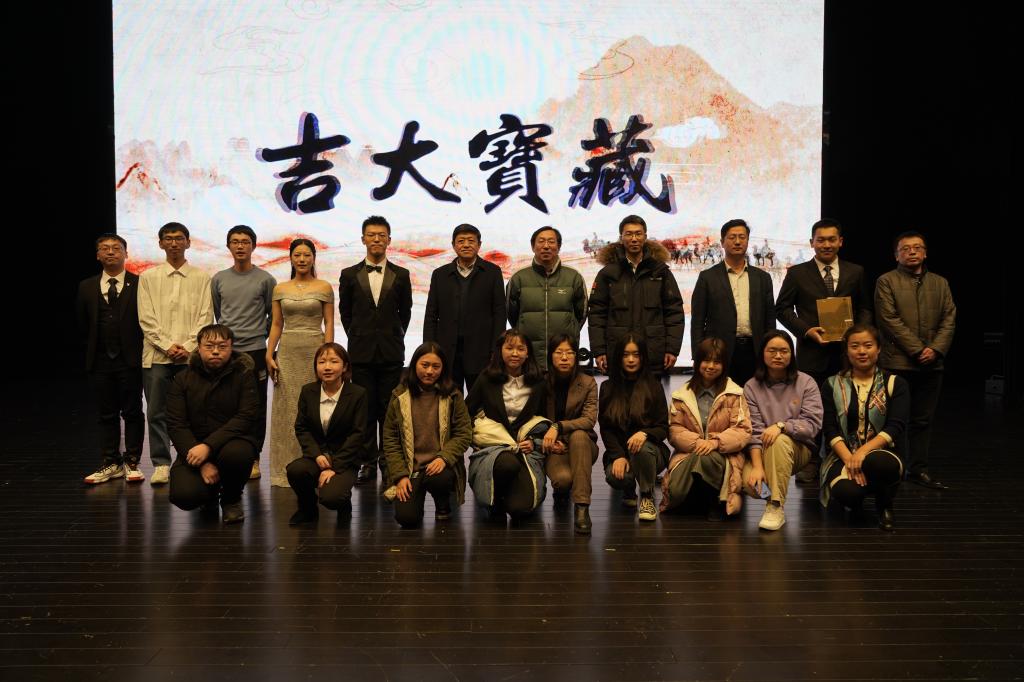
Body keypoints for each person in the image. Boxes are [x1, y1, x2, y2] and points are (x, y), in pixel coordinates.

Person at [775, 218, 872, 483]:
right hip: (812, 353)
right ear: (812, 243)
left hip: (847, 355)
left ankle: (838, 459)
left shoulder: (856, 272)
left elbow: (865, 307)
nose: (826, 244)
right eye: (821, 240)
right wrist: (806, 330)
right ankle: (810, 460)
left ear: (840, 242)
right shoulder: (797, 273)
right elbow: (782, 309)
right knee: (810, 409)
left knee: (845, 408)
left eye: (831, 239)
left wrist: (856, 335)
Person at [875, 231, 955, 490]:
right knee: (894, 420)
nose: (912, 252)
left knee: (923, 421)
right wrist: (919, 350)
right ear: (896, 255)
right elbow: (888, 320)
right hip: (897, 363)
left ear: (925, 253)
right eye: (906, 248)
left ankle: (918, 469)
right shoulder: (886, 281)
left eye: (917, 247)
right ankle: (893, 468)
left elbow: (949, 319)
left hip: (932, 364)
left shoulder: (940, 283)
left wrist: (936, 350)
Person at [138, 222, 214, 486]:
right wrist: (167, 345)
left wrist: (189, 346)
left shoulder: (201, 277)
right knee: (156, 411)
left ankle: (191, 459)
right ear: (160, 243)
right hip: (157, 356)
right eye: (168, 239)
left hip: (190, 358)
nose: (174, 243)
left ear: (188, 243)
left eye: (179, 238)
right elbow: (145, 318)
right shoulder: (148, 277)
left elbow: (206, 316)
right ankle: (161, 463)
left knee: (194, 411)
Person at [338, 216, 413, 484]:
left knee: (389, 410)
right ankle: (367, 462)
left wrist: (391, 335)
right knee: (365, 411)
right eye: (371, 235)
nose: (377, 239)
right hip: (361, 353)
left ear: (389, 240)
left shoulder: (401, 275)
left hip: (391, 352)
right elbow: (345, 313)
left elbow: (405, 313)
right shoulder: (349, 274)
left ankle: (389, 462)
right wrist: (360, 336)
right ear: (363, 239)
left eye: (382, 235)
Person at [166, 324, 260, 524]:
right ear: (198, 348)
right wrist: (202, 462)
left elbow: (246, 417)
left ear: (231, 348)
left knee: (238, 455)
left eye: (222, 346)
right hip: (194, 448)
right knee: (184, 495)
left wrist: (208, 446)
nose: (216, 351)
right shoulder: (182, 379)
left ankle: (231, 499)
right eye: (209, 346)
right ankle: (208, 496)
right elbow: (176, 424)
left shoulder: (244, 376)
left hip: (233, 443)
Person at [821, 324, 909, 531]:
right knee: (847, 493)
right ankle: (856, 503)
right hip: (842, 455)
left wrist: (862, 452)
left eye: (868, 345)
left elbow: (896, 426)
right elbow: (829, 428)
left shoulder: (895, 383)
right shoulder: (832, 384)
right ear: (847, 351)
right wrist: (850, 459)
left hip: (883, 453)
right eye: (855, 346)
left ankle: (884, 504)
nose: (861, 351)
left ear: (878, 349)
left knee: (878, 463)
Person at [77, 233, 145, 484]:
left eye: (116, 248)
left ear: (126, 253)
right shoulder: (86, 286)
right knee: (106, 413)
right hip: (100, 360)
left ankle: (132, 461)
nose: (110, 252)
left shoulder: (140, 284)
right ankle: (110, 462)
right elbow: (82, 324)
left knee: (132, 411)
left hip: (131, 359)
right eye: (104, 248)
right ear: (97, 255)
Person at [266, 239, 335, 487]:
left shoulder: (324, 287)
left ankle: (316, 465)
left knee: (314, 406)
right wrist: (269, 354)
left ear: (314, 257)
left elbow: (329, 323)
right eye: (297, 255)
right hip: (287, 352)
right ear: (291, 258)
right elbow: (277, 324)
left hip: (315, 349)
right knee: (287, 409)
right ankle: (284, 468)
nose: (302, 259)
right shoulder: (280, 288)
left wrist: (328, 354)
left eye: (307, 255)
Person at [382, 342, 472, 528]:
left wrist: (444, 457)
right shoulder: (399, 395)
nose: (430, 371)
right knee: (407, 519)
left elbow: (464, 433)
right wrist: (400, 476)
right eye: (425, 365)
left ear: (443, 368)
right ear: (414, 364)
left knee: (442, 479)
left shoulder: (453, 394)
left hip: (438, 465)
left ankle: (442, 503)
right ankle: (416, 496)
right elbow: (390, 439)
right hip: (411, 468)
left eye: (436, 366)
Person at [211, 225, 276, 480]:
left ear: (253, 246)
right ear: (229, 246)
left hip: (256, 351)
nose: (240, 246)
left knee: (256, 406)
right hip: (227, 353)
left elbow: (273, 315)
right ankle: (225, 455)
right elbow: (218, 312)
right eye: (235, 241)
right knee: (224, 404)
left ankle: (253, 458)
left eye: (245, 241)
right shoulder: (219, 279)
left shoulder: (265, 279)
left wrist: (260, 336)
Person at [741, 330, 823, 531]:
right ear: (762, 353)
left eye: (784, 351)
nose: (778, 356)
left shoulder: (806, 382)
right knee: (751, 485)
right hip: (762, 450)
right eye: (772, 351)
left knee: (779, 441)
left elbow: (812, 425)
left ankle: (775, 506)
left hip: (798, 449)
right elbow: (754, 431)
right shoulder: (751, 386)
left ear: (791, 354)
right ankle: (771, 492)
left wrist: (782, 426)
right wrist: (758, 467)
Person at [466, 329, 550, 521]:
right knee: (507, 464)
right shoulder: (487, 378)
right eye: (509, 348)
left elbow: (545, 418)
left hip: (525, 450)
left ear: (528, 353)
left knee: (521, 509)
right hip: (494, 449)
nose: (515, 353)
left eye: (521, 349)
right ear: (500, 351)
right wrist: (477, 437)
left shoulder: (538, 382)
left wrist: (534, 441)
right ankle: (495, 501)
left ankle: (510, 495)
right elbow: (466, 411)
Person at [663, 338, 751, 519]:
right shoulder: (682, 395)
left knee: (706, 458)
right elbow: (674, 429)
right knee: (675, 492)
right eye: (706, 360)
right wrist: (698, 443)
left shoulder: (735, 394)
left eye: (717, 362)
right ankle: (699, 497)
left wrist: (715, 443)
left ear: (724, 365)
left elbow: (742, 430)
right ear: (697, 362)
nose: (711, 366)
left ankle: (715, 501)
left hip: (724, 455)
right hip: (689, 452)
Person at [589, 215, 685, 376]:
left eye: (638, 234)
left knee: (651, 393)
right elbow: (597, 315)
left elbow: (674, 312)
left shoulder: (660, 272)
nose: (634, 239)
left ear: (645, 237)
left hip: (653, 353)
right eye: (629, 234)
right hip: (618, 354)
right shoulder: (608, 274)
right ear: (621, 238)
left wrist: (672, 349)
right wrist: (599, 351)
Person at [286, 343, 367, 524]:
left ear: (345, 367)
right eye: (322, 362)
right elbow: (302, 427)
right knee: (296, 470)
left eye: (334, 361)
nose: (327, 367)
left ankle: (344, 504)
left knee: (332, 497)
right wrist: (316, 455)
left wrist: (334, 466)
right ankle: (307, 509)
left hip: (345, 459)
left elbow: (358, 434)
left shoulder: (358, 394)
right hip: (318, 457)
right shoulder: (308, 391)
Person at [690, 218, 776, 387]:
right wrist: (698, 356)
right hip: (718, 352)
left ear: (747, 241)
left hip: (755, 350)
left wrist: (771, 351)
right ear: (722, 242)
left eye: (742, 237)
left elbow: (770, 320)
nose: (737, 241)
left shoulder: (763, 278)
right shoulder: (707, 277)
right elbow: (698, 321)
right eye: (732, 237)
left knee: (753, 398)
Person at [423, 223, 506, 395]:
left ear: (479, 245)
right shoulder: (440, 274)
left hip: (481, 350)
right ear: (453, 245)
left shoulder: (492, 272)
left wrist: (496, 349)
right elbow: (431, 314)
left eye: (471, 241)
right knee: (449, 398)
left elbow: (499, 313)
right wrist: (429, 348)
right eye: (461, 241)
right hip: (447, 351)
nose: (466, 245)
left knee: (482, 399)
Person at [599, 333, 670, 522]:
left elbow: (663, 427)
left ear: (643, 357)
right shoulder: (607, 387)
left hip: (651, 452)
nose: (631, 360)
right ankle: (628, 489)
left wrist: (644, 433)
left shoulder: (654, 386)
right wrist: (618, 456)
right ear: (618, 357)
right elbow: (606, 429)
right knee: (616, 477)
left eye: (636, 354)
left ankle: (646, 496)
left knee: (641, 448)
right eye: (625, 355)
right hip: (621, 451)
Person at [506, 226, 587, 370]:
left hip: (563, 355)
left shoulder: (574, 277)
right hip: (530, 355)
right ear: (533, 246)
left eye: (551, 241)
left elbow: (582, 313)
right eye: (541, 241)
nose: (546, 246)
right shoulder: (518, 278)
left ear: (559, 246)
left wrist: (571, 331)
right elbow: (512, 315)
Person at [542, 334, 599, 534]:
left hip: (582, 446)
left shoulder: (588, 382)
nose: (564, 357)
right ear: (550, 356)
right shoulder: (542, 382)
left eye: (569, 352)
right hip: (552, 446)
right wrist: (548, 440)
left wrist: (558, 427)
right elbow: (533, 419)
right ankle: (561, 491)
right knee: (563, 480)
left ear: (576, 355)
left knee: (579, 435)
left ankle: (582, 508)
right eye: (559, 352)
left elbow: (589, 420)